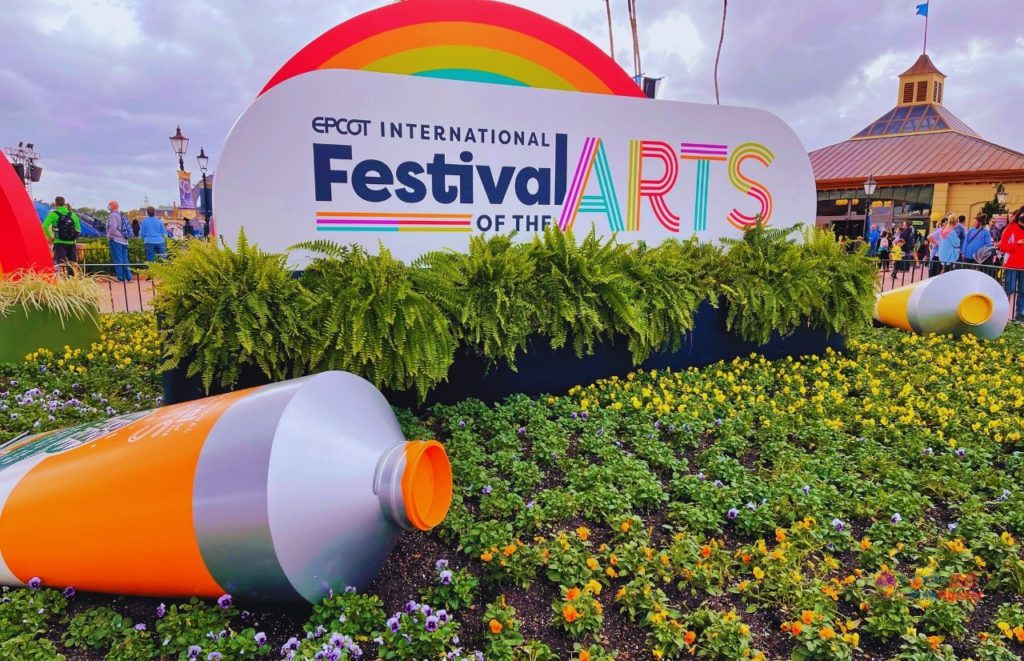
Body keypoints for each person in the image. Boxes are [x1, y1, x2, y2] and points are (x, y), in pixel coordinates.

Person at [42, 196, 81, 275]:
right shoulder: (72, 214)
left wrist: (51, 237)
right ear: (64, 203)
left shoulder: (53, 214)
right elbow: (79, 229)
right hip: (72, 242)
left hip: (59, 242)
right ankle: (76, 280)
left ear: (55, 203)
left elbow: (45, 226)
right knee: (73, 262)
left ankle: (63, 280)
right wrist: (74, 238)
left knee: (61, 263)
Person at [998, 207, 1024, 320]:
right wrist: (1016, 244)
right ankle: (1006, 315)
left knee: (1023, 291)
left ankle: (1019, 314)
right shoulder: (1010, 229)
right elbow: (1002, 247)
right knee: (1010, 289)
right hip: (1012, 265)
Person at [105, 201, 132, 282]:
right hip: (124, 240)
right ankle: (129, 277)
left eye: (109, 204)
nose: (108, 206)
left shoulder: (113, 215)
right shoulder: (121, 214)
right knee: (125, 259)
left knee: (118, 259)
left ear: (113, 206)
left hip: (116, 239)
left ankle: (121, 278)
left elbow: (113, 227)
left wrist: (109, 236)